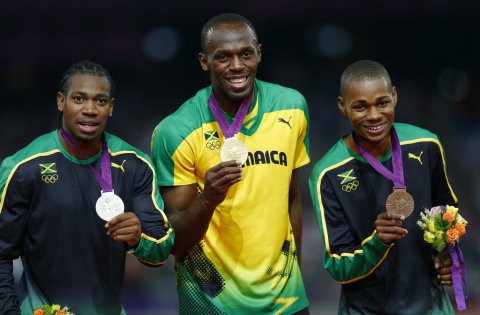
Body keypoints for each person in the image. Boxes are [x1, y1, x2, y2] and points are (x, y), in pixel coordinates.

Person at [151, 13, 310, 314]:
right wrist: (207, 198)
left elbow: (292, 200)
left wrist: (296, 281)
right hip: (212, 305)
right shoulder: (177, 131)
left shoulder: (293, 107)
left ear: (259, 53)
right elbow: (174, 240)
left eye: (245, 54)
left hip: (286, 303)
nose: (237, 66)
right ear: (203, 61)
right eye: (223, 57)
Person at [0, 60, 174, 315]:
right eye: (79, 99)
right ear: (61, 102)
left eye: (100, 101)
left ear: (111, 107)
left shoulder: (136, 165)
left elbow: (161, 247)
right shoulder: (22, 168)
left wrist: (138, 239)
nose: (90, 109)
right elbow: (2, 253)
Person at [308, 59, 457, 314]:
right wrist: (377, 242)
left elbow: (446, 211)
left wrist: (447, 255)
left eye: (382, 103)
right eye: (361, 107)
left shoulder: (427, 144)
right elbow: (338, 267)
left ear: (394, 96)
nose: (374, 115)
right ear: (342, 107)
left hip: (432, 308)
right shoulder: (327, 174)